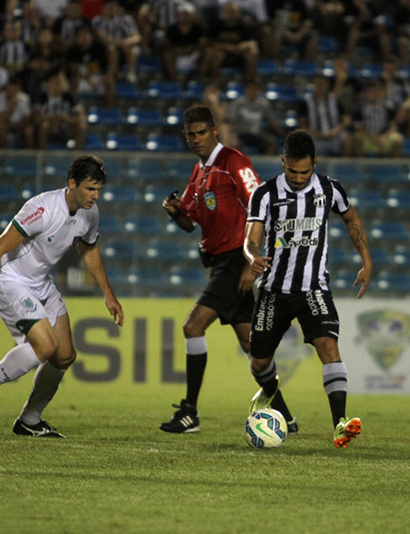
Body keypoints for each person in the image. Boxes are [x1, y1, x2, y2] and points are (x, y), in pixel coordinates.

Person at [0, 155, 124, 438]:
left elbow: (89, 250)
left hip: (40, 282)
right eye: (90, 188)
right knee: (45, 347)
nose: (95, 195)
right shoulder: (42, 208)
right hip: (10, 280)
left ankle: (29, 419)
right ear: (72, 184)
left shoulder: (91, 213)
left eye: (99, 189)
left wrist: (108, 294)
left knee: (64, 356)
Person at [159, 104, 296, 434]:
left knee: (193, 327)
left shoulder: (233, 161)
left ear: (214, 130)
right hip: (221, 262)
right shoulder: (199, 172)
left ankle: (190, 412)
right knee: (252, 347)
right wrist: (175, 211)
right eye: (190, 134)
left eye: (201, 133)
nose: (195, 139)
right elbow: (191, 222)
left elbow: (261, 205)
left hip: (237, 260)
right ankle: (286, 418)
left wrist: (253, 261)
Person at [244, 129, 370, 448]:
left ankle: (340, 424)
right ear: (282, 161)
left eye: (305, 171)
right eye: (292, 171)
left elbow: (351, 219)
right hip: (274, 290)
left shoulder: (330, 189)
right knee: (259, 361)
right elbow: (251, 236)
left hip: (313, 288)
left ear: (315, 162)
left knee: (329, 346)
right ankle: (280, 409)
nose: (298, 178)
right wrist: (252, 256)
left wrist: (366, 259)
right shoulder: (265, 193)